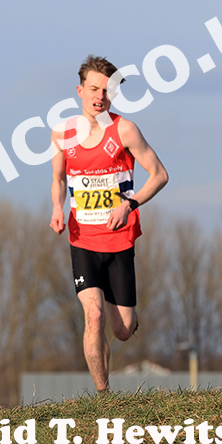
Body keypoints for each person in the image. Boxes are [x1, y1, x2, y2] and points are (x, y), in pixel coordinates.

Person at [50, 55, 168, 394]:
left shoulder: (125, 130)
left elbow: (159, 175)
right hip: (82, 238)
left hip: (119, 241)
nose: (99, 96)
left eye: (106, 90)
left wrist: (129, 204)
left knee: (121, 329)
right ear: (80, 90)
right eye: (93, 89)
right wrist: (57, 208)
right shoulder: (63, 133)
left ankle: (129, 322)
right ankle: (103, 396)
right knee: (94, 316)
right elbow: (58, 178)